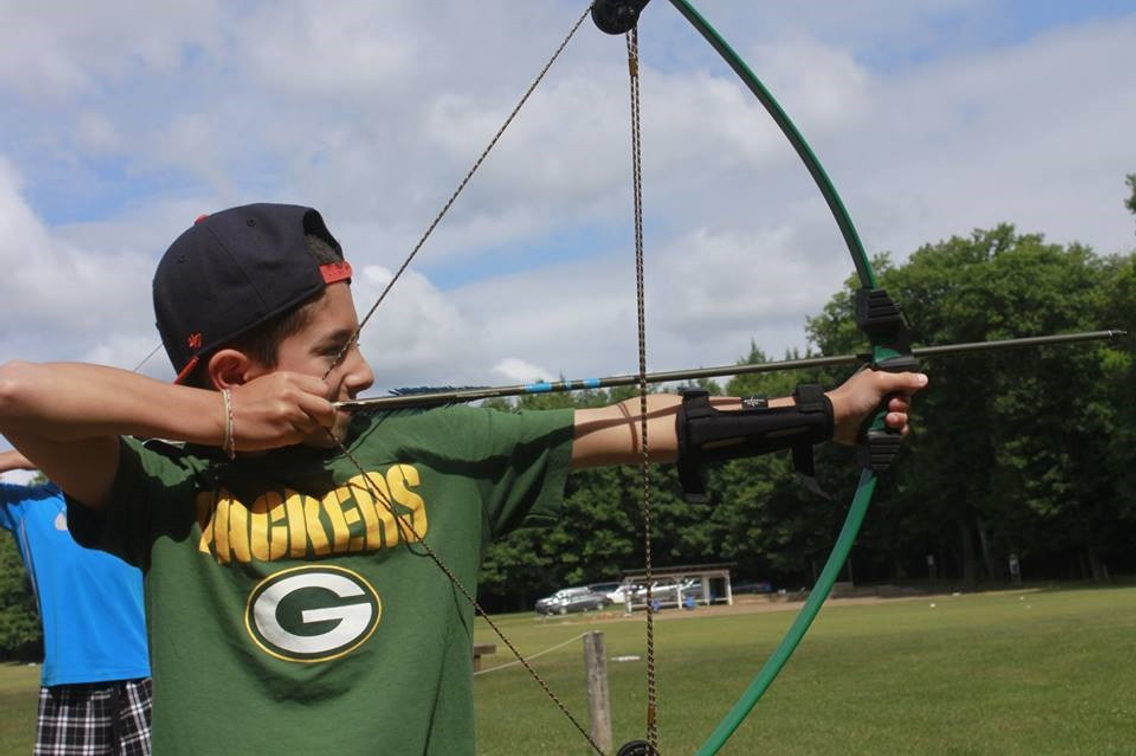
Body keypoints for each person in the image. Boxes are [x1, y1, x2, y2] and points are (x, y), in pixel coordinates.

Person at [0, 203, 927, 755]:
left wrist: (825, 412)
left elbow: (643, 426)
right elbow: (15, 391)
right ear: (241, 373)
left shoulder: (436, 447)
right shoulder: (153, 486)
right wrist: (216, 422)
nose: (361, 372)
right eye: (335, 350)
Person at [0, 449, 151, 756]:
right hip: (69, 677)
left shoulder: (127, 496)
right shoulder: (26, 508)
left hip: (145, 674)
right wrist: (17, 457)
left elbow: (120, 450)